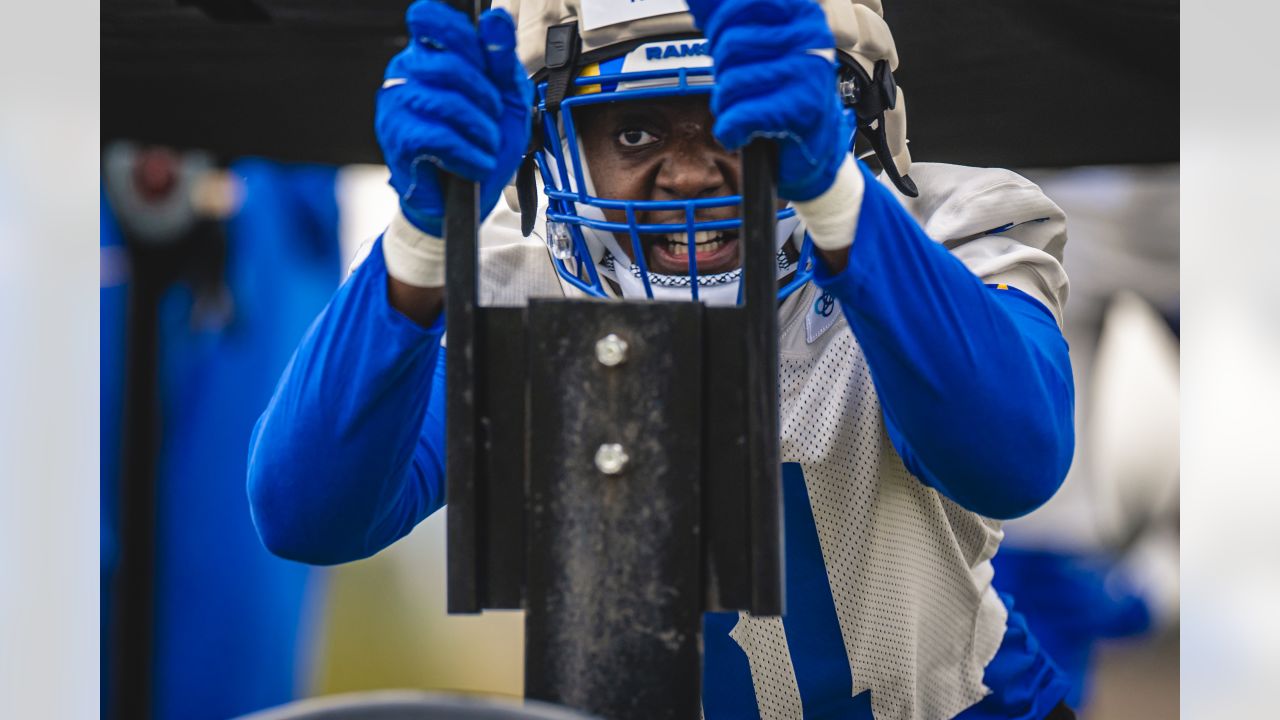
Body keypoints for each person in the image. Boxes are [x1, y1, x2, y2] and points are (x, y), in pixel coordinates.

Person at [248, 0, 1077, 717]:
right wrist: (421, 242)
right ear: (546, 139)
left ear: (844, 111)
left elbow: (1015, 460)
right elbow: (307, 513)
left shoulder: (948, 229)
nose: (687, 173)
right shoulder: (514, 285)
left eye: (730, 116)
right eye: (635, 129)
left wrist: (837, 201)